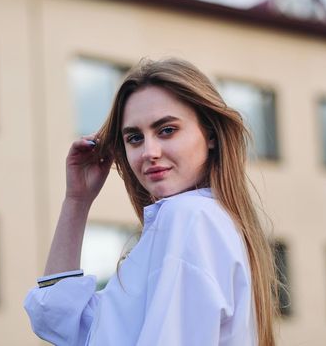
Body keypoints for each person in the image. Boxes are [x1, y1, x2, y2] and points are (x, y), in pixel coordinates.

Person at [24, 58, 279, 345]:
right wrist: (77, 200)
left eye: (167, 130)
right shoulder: (192, 223)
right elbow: (57, 319)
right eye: (134, 138)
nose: (149, 151)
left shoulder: (190, 217)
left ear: (209, 134)